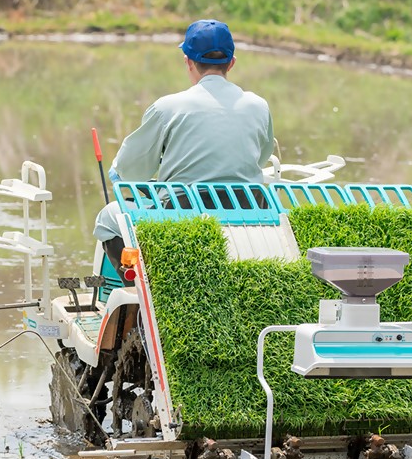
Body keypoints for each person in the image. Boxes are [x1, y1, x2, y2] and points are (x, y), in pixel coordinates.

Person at [93, 19, 275, 276]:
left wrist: (120, 172)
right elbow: (263, 157)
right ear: (231, 63)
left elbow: (130, 173)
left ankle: (144, 294)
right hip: (246, 214)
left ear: (188, 62)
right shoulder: (258, 106)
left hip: (181, 216)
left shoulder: (168, 108)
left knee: (109, 216)